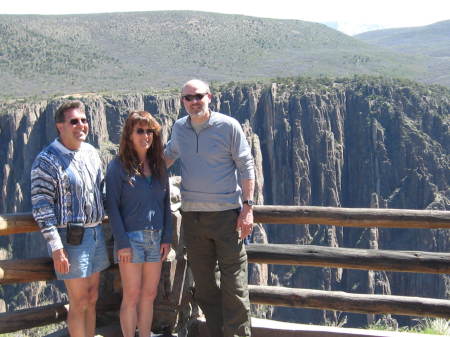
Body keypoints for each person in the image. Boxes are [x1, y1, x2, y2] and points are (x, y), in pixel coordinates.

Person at [165, 79, 255, 337]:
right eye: (188, 98)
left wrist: (247, 208)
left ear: (210, 97)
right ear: (182, 101)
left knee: (234, 285)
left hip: (227, 218)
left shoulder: (228, 126)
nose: (194, 102)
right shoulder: (180, 128)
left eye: (198, 96)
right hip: (193, 219)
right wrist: (133, 170)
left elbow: (246, 167)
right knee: (204, 287)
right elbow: (168, 156)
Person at [31, 100, 110, 337]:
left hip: (96, 234)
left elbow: (101, 191)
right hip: (71, 239)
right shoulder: (46, 160)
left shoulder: (92, 153)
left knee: (93, 298)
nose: (81, 125)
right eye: (73, 121)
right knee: (79, 301)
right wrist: (56, 248)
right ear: (60, 126)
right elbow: (41, 207)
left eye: (84, 120)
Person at [105, 111, 172, 337]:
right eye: (140, 131)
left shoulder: (160, 165)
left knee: (149, 294)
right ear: (130, 135)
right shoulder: (117, 167)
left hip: (156, 239)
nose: (146, 135)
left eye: (149, 131)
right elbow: (112, 206)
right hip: (130, 241)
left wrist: (167, 238)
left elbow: (166, 205)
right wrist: (122, 243)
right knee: (131, 295)